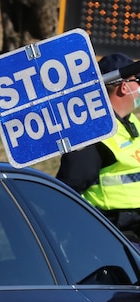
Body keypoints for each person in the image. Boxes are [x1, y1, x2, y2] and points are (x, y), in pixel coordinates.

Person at [56, 52, 140, 240]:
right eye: (138, 80)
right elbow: (69, 187)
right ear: (124, 87)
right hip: (114, 232)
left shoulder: (131, 123)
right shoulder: (93, 132)